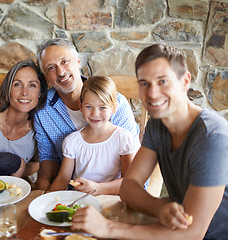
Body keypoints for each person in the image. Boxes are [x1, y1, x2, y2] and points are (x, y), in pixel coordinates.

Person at [71, 44, 228, 239]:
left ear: (185, 81)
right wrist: (158, 208)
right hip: (172, 230)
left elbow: (194, 232)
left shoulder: (213, 137)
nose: (152, 93)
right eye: (144, 83)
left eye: (162, 81)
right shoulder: (158, 123)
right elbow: (129, 187)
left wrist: (108, 228)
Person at [34, 38, 140, 190]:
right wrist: (43, 197)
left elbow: (134, 172)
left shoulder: (116, 103)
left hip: (117, 191)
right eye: (51, 68)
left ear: (77, 62)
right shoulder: (43, 111)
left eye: (65, 62)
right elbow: (49, 158)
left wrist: (101, 189)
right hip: (75, 192)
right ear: (46, 77)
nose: (61, 72)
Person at [49, 76, 139, 195]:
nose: (95, 114)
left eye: (102, 107)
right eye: (89, 107)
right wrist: (45, 199)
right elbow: (62, 179)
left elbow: (128, 183)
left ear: (113, 108)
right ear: (80, 106)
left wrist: (98, 188)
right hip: (79, 201)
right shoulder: (72, 141)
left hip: (111, 202)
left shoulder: (123, 139)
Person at [0, 59, 47, 179]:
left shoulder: (39, 128)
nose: (24, 92)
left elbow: (42, 164)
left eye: (32, 85)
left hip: (14, 190)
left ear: (40, 92)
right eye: (17, 84)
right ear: (8, 88)